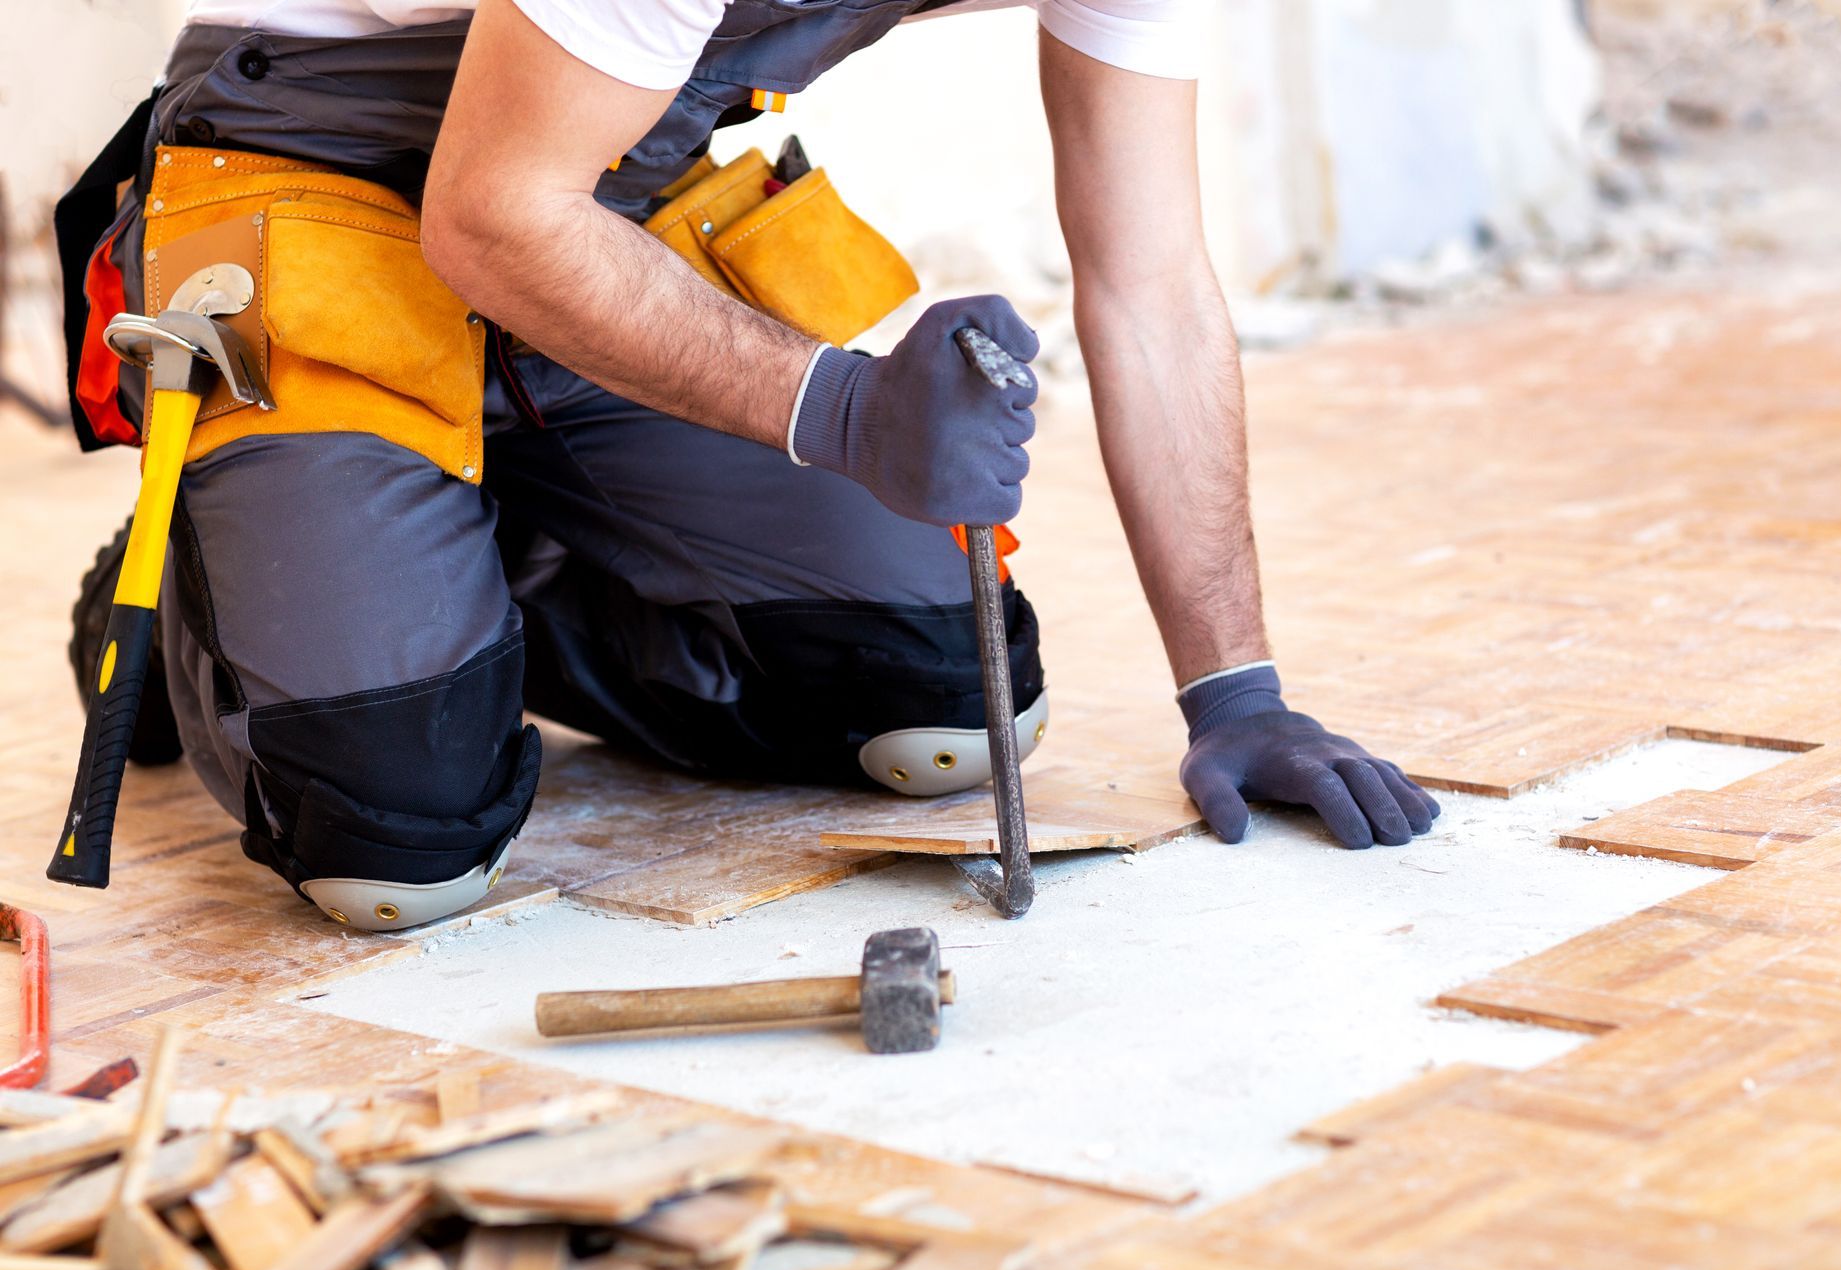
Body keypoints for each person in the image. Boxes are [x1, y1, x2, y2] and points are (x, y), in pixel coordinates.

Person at [59, 0, 1440, 931]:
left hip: (612, 199)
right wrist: (843, 410)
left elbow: (1150, 280)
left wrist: (1235, 689)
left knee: (948, 702)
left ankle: (469, 554)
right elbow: (491, 217)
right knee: (392, 842)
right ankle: (210, 568)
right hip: (324, 170)